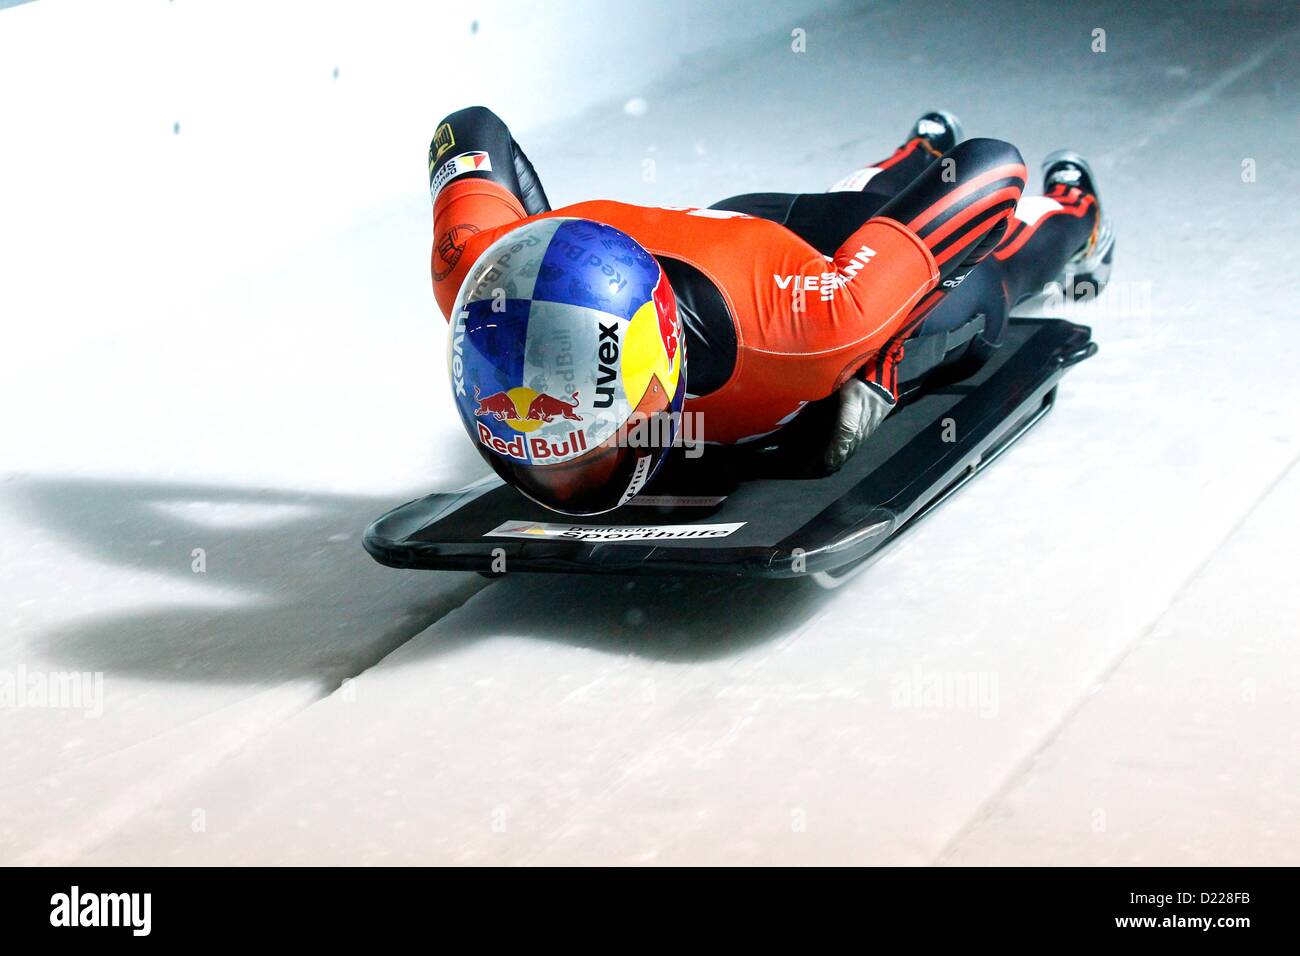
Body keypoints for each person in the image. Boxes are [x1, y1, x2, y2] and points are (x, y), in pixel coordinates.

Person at [430, 106, 1112, 480]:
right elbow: (465, 128)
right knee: (864, 204)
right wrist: (526, 261)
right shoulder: (477, 271)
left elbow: (992, 165)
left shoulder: (812, 333)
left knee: (993, 286)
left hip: (795, 291)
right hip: (736, 239)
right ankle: (914, 153)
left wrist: (875, 371)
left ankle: (1077, 214)